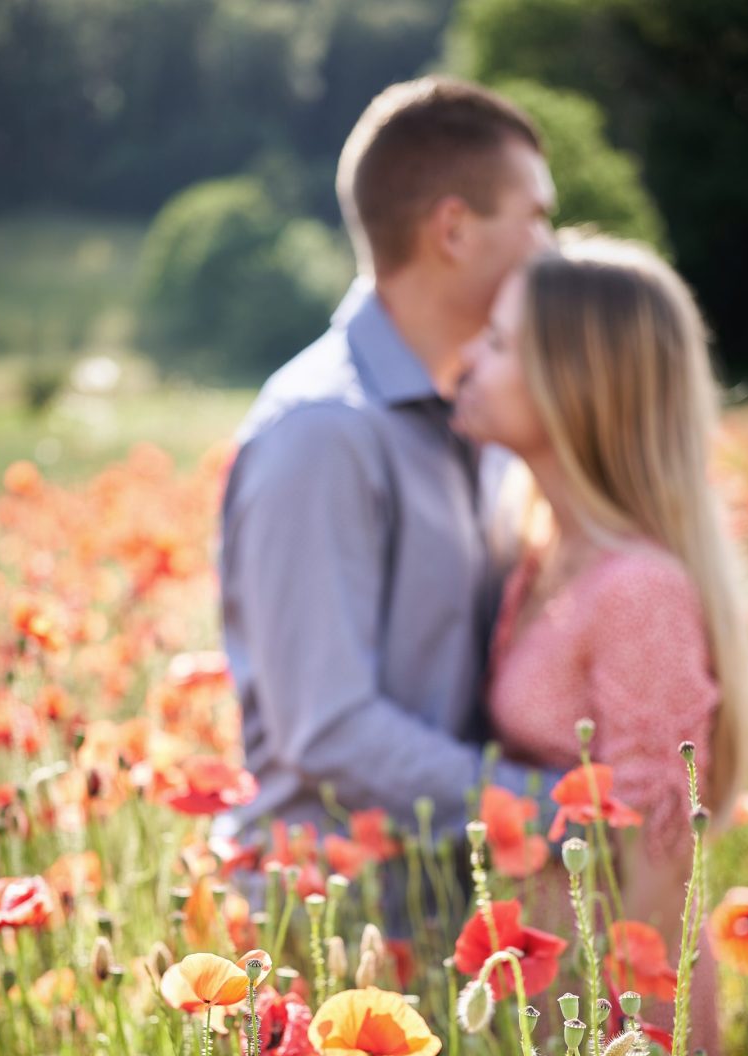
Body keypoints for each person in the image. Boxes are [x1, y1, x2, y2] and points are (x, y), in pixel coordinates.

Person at [220, 77, 558, 843]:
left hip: (453, 905)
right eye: (537, 217)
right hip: (336, 926)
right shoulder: (322, 433)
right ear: (454, 230)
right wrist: (561, 814)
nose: (552, 248)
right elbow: (330, 728)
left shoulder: (483, 416)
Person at [453, 232, 748, 1044]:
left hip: (617, 1041)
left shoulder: (639, 591)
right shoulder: (543, 552)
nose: (465, 361)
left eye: (499, 342)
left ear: (571, 386)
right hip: (547, 1019)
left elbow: (662, 867)